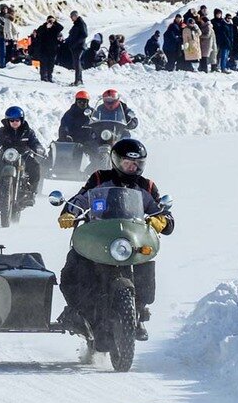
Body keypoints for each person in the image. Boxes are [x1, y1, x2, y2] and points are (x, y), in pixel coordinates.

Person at [57, 138, 175, 344]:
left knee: (145, 260)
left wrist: (162, 220)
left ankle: (139, 310)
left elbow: (163, 213)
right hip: (98, 237)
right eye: (128, 162)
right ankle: (77, 311)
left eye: (137, 163)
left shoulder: (146, 186)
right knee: (72, 268)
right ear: (116, 161)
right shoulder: (100, 178)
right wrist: (69, 212)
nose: (132, 167)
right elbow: (81, 198)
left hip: (129, 242)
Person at [0, 106, 44, 198]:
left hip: (23, 156)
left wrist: (38, 149)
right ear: (8, 121)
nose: (14, 122)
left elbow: (35, 142)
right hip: (5, 157)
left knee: (35, 166)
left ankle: (31, 192)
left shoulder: (28, 132)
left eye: (17, 120)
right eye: (12, 120)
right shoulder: (2, 131)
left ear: (21, 120)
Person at [34, 15, 64, 82]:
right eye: (49, 20)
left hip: (53, 49)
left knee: (51, 64)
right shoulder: (43, 26)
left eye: (51, 20)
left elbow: (61, 28)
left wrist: (54, 22)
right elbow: (38, 32)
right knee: (43, 63)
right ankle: (43, 77)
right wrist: (46, 27)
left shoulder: (55, 27)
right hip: (44, 49)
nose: (50, 22)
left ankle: (49, 77)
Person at [66, 10, 88, 86]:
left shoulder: (81, 23)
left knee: (77, 63)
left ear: (75, 16)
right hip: (75, 46)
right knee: (76, 63)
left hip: (79, 47)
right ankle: (79, 80)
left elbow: (84, 34)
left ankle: (78, 80)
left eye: (71, 17)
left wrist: (76, 43)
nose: (71, 18)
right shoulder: (76, 24)